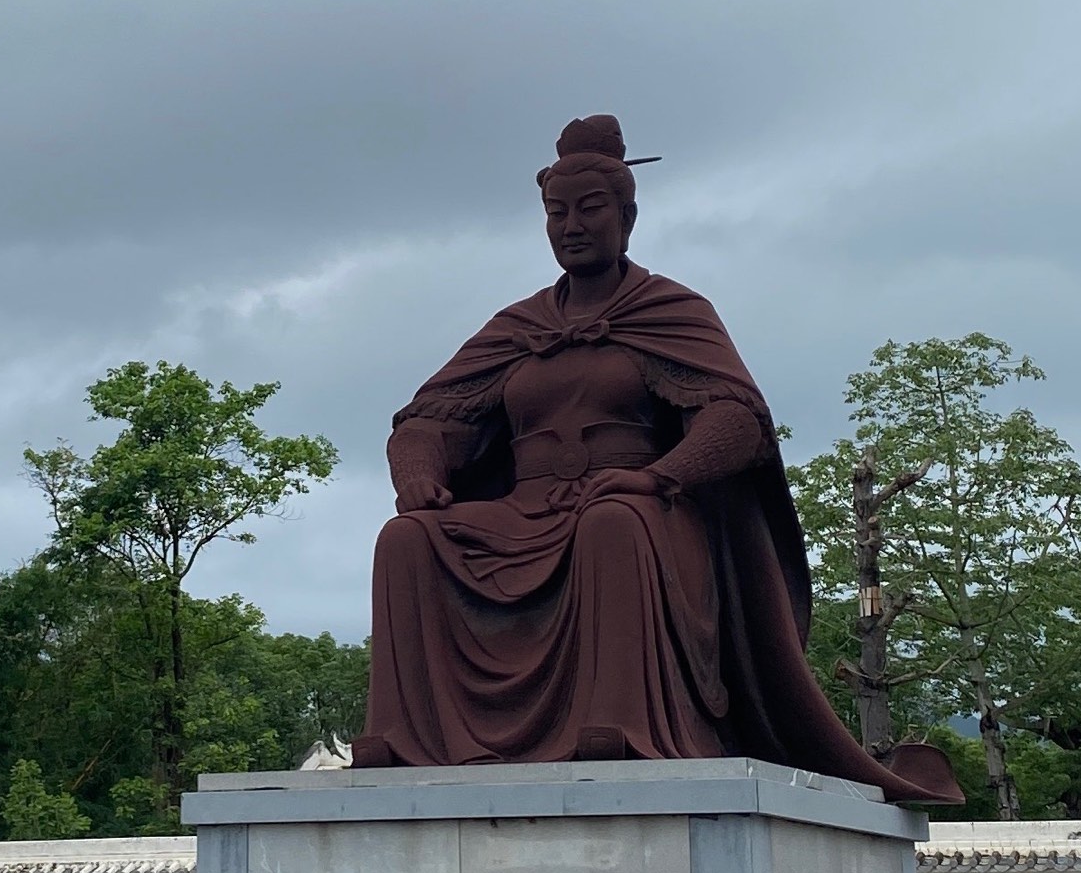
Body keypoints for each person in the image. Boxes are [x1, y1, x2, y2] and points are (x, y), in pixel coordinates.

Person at [356, 112, 960, 805]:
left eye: (589, 210)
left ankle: (615, 722)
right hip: (527, 510)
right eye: (557, 213)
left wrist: (657, 475)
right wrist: (420, 471)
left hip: (647, 509)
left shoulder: (670, 311)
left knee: (612, 521)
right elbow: (432, 417)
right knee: (407, 537)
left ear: (627, 216)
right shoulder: (517, 328)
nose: (572, 225)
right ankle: (404, 735)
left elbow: (737, 421)